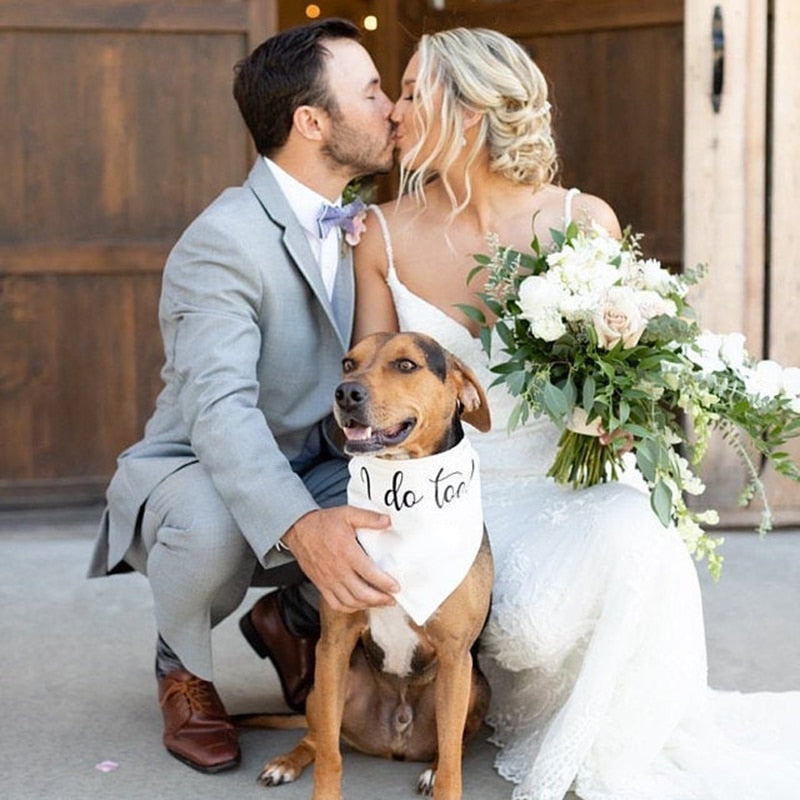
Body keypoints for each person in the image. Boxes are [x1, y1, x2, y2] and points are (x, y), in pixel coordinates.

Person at [354, 27, 800, 800]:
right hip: (452, 492)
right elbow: (370, 386)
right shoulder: (381, 233)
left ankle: (621, 739)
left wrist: (618, 418)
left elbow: (641, 373)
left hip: (568, 478)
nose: (394, 110)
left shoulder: (580, 217)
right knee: (523, 622)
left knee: (639, 535)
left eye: (411, 91)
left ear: (466, 112)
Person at [88, 18, 401, 774]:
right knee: (213, 521)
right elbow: (220, 415)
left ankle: (287, 617)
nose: (392, 107)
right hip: (195, 463)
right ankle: (181, 665)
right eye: (372, 91)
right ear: (312, 122)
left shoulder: (367, 224)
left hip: (316, 454)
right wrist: (303, 526)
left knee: (402, 507)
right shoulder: (222, 239)